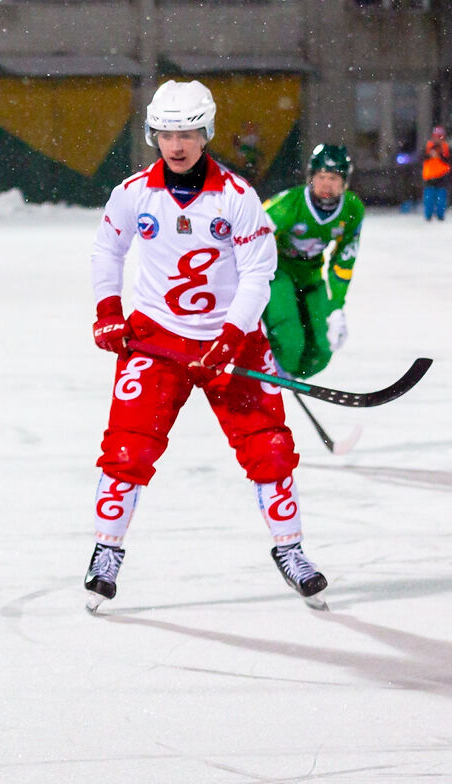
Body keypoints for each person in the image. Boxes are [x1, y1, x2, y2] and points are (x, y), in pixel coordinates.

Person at [85, 81, 326, 611]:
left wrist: (232, 336)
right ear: (153, 134)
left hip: (232, 342)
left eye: (188, 133)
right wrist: (108, 312)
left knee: (269, 447)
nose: (176, 145)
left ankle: (291, 550)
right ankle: (106, 552)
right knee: (128, 448)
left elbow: (258, 274)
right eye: (166, 133)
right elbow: (108, 249)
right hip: (156, 340)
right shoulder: (132, 193)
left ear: (206, 133)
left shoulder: (237, 197)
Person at [260, 145, 364, 380]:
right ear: (311, 177)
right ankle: (272, 371)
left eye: (333, 178)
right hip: (277, 271)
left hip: (311, 275)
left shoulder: (352, 209)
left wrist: (336, 306)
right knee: (289, 340)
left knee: (321, 350)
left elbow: (344, 261)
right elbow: (250, 243)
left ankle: (287, 375)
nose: (326, 185)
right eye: (321, 177)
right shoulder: (287, 204)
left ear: (345, 182)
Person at [420, 126, 450, 222]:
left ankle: (440, 216)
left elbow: (448, 161)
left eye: (440, 136)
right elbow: (421, 158)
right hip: (429, 176)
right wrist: (429, 155)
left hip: (442, 176)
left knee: (441, 198)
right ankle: (428, 216)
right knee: (429, 198)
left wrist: (440, 155)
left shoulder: (446, 147)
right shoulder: (428, 146)